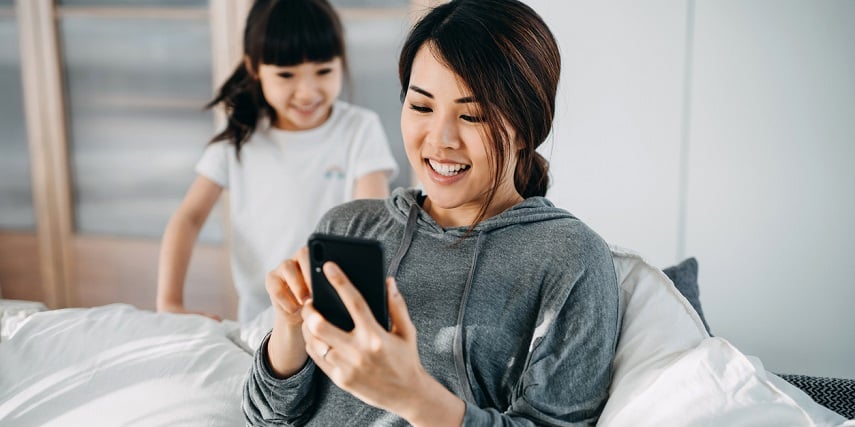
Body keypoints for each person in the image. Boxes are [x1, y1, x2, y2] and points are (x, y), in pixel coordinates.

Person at [243, 0, 619, 425]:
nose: (440, 140)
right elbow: (267, 418)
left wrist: (415, 398)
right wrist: (289, 328)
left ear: (528, 126)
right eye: (421, 107)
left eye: (472, 115)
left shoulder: (571, 259)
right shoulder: (349, 227)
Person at [156, 0, 398, 323]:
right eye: (286, 75)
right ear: (254, 68)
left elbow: (372, 223)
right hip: (260, 320)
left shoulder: (359, 129)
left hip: (338, 315)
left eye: (324, 71)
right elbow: (189, 216)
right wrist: (169, 302)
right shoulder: (239, 137)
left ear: (341, 63)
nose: (308, 92)